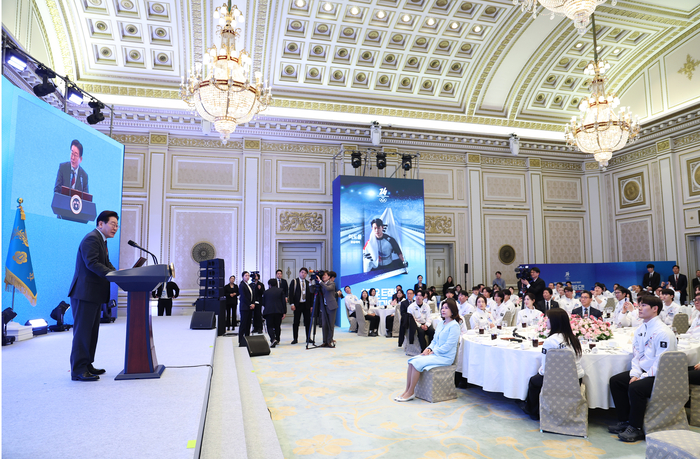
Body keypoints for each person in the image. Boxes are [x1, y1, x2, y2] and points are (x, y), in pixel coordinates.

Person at [608, 296, 677, 442]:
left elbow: (662, 363)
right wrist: (636, 373)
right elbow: (637, 355)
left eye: (643, 305)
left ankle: (636, 427)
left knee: (636, 387)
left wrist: (642, 377)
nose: (639, 308)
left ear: (655, 309)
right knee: (616, 381)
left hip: (660, 375)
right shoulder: (641, 329)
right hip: (644, 372)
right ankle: (625, 420)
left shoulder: (663, 332)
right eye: (639, 305)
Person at [67, 210, 118, 381]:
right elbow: (92, 263)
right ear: (100, 224)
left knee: (91, 332)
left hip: (93, 294)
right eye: (112, 224)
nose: (115, 228)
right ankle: (78, 370)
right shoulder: (92, 238)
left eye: (117, 225)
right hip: (84, 294)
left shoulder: (101, 240)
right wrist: (113, 275)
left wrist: (119, 274)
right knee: (82, 333)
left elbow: (106, 263)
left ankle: (87, 364)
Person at [521, 308, 584, 420]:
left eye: (548, 319)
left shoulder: (550, 341)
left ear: (554, 322)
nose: (546, 321)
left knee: (533, 381)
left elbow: (546, 369)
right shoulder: (574, 338)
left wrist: (540, 371)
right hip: (575, 380)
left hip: (557, 382)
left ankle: (533, 411)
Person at [395, 299, 462, 402]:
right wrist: (428, 348)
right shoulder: (441, 323)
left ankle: (411, 392)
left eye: (446, 308)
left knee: (417, 363)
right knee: (412, 361)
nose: (443, 310)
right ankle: (407, 390)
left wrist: (434, 351)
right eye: (442, 308)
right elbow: (434, 341)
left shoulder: (454, 326)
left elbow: (449, 345)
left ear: (453, 310)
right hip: (436, 354)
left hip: (445, 357)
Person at [312, 270, 341, 348]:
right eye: (323, 275)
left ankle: (329, 341)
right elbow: (313, 290)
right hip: (323, 306)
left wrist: (320, 282)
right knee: (324, 324)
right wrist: (311, 282)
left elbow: (328, 288)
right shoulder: (321, 284)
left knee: (330, 324)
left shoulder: (332, 283)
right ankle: (324, 341)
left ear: (329, 277)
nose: (323, 276)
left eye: (325, 275)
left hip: (331, 306)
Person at [289, 268, 312, 345]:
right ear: (299, 273)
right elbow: (291, 293)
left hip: (306, 305)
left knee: (307, 322)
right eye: (302, 272)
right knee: (296, 322)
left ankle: (308, 338)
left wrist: (311, 306)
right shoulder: (294, 281)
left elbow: (310, 295)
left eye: (305, 273)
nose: (303, 274)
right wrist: (292, 304)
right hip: (297, 305)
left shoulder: (308, 282)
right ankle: (295, 338)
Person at [263, 279, 287, 348]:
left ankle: (273, 339)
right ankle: (277, 339)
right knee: (277, 326)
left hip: (269, 311)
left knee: (269, 326)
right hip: (278, 311)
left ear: (269, 285)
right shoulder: (281, 291)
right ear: (276, 284)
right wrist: (284, 312)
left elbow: (263, 302)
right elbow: (283, 302)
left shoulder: (266, 292)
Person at [238, 271, 254, 347]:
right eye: (246, 275)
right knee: (243, 324)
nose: (247, 277)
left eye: (248, 275)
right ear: (242, 277)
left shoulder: (248, 285)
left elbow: (252, 295)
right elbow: (243, 297)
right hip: (244, 307)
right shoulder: (241, 285)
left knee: (248, 324)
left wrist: (253, 303)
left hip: (249, 307)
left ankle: (247, 338)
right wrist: (250, 304)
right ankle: (241, 340)